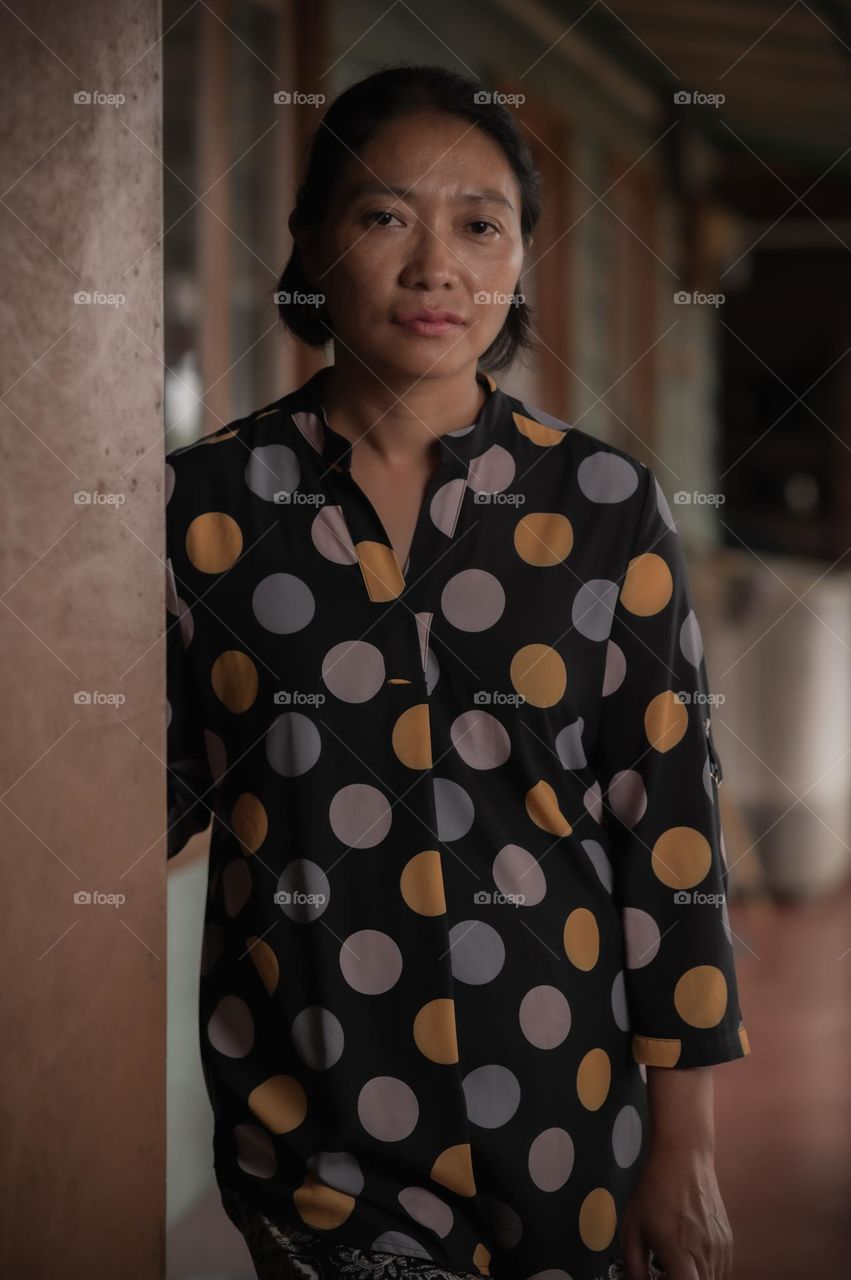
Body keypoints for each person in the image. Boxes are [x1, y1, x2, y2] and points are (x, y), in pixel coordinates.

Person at [166, 62, 750, 1280]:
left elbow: (672, 834)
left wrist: (680, 1142)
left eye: (479, 225)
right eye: (385, 216)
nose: (437, 266)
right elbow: (141, 798)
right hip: (309, 1129)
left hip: (566, 1116)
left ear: (520, 259)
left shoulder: (602, 506)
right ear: (311, 242)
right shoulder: (202, 507)